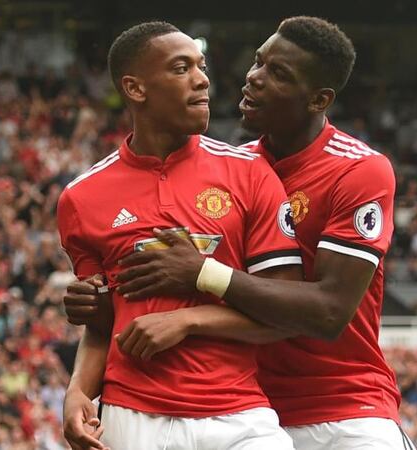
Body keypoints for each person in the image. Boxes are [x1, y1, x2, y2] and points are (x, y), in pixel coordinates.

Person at [68, 17, 412, 450]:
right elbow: (127, 306)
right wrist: (98, 306)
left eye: (278, 73)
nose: (254, 78)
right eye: (258, 62)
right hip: (248, 405)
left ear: (319, 99)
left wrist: (202, 274)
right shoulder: (236, 168)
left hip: (344, 407)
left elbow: (329, 312)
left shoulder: (358, 170)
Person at [57, 21, 303, 450]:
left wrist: (186, 321)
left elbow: (285, 312)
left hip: (239, 415)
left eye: (201, 66)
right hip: (131, 415)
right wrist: (78, 389)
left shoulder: (250, 173)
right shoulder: (82, 198)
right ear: (135, 88)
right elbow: (103, 327)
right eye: (180, 68)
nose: (202, 79)